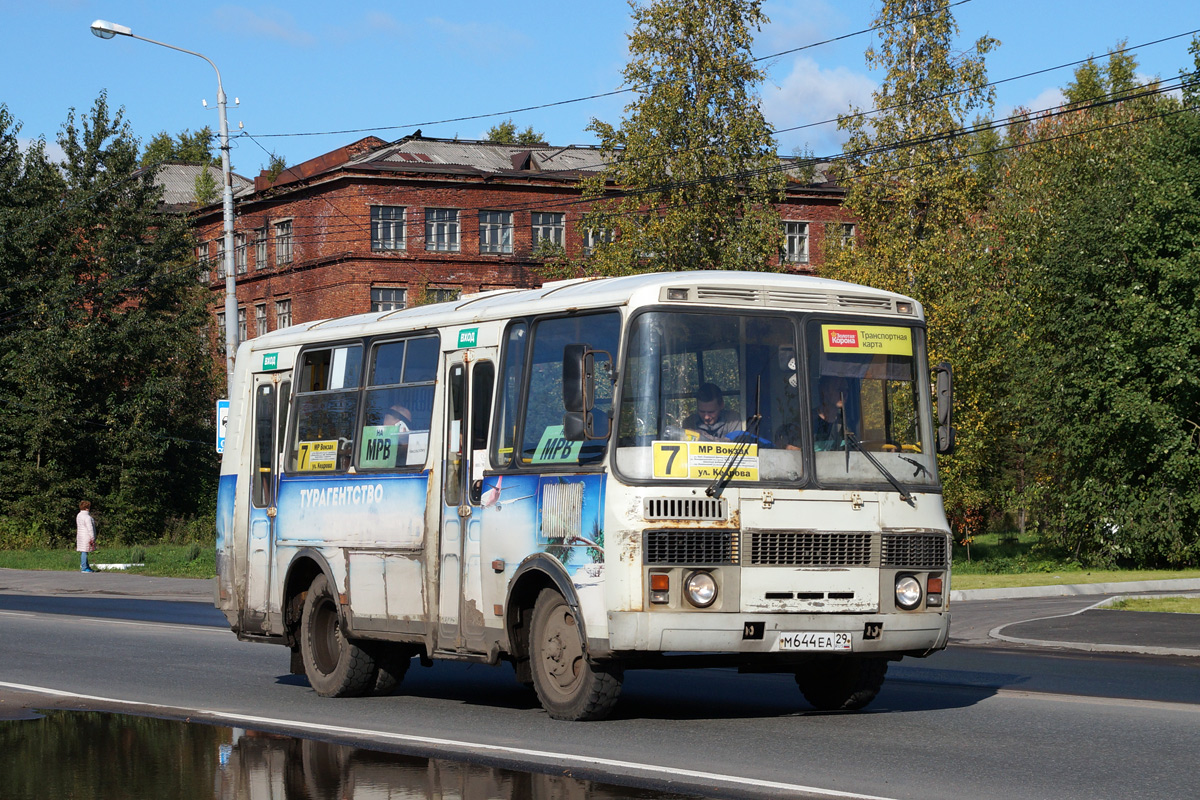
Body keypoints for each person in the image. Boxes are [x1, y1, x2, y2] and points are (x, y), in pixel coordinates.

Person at [813, 375, 849, 451]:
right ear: (824, 390)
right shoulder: (806, 422)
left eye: (846, 390)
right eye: (839, 389)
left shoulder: (847, 424)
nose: (843, 394)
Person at [76, 500, 96, 573]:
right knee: (85, 551)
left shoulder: (79, 515)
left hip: (80, 536)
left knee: (84, 551)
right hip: (86, 536)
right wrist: (92, 537)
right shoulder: (87, 517)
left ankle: (86, 566)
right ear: (87, 508)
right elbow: (90, 528)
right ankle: (84, 567)